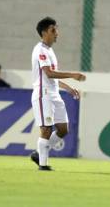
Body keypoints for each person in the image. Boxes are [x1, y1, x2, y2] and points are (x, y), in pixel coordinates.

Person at [30, 17, 86, 171]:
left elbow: (51, 76)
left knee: (63, 129)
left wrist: (67, 87)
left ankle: (38, 153)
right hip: (43, 95)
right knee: (46, 129)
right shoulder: (40, 50)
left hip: (54, 94)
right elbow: (48, 73)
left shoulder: (50, 51)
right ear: (44, 32)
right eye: (53, 30)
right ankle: (43, 164)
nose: (57, 33)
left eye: (56, 29)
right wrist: (72, 74)